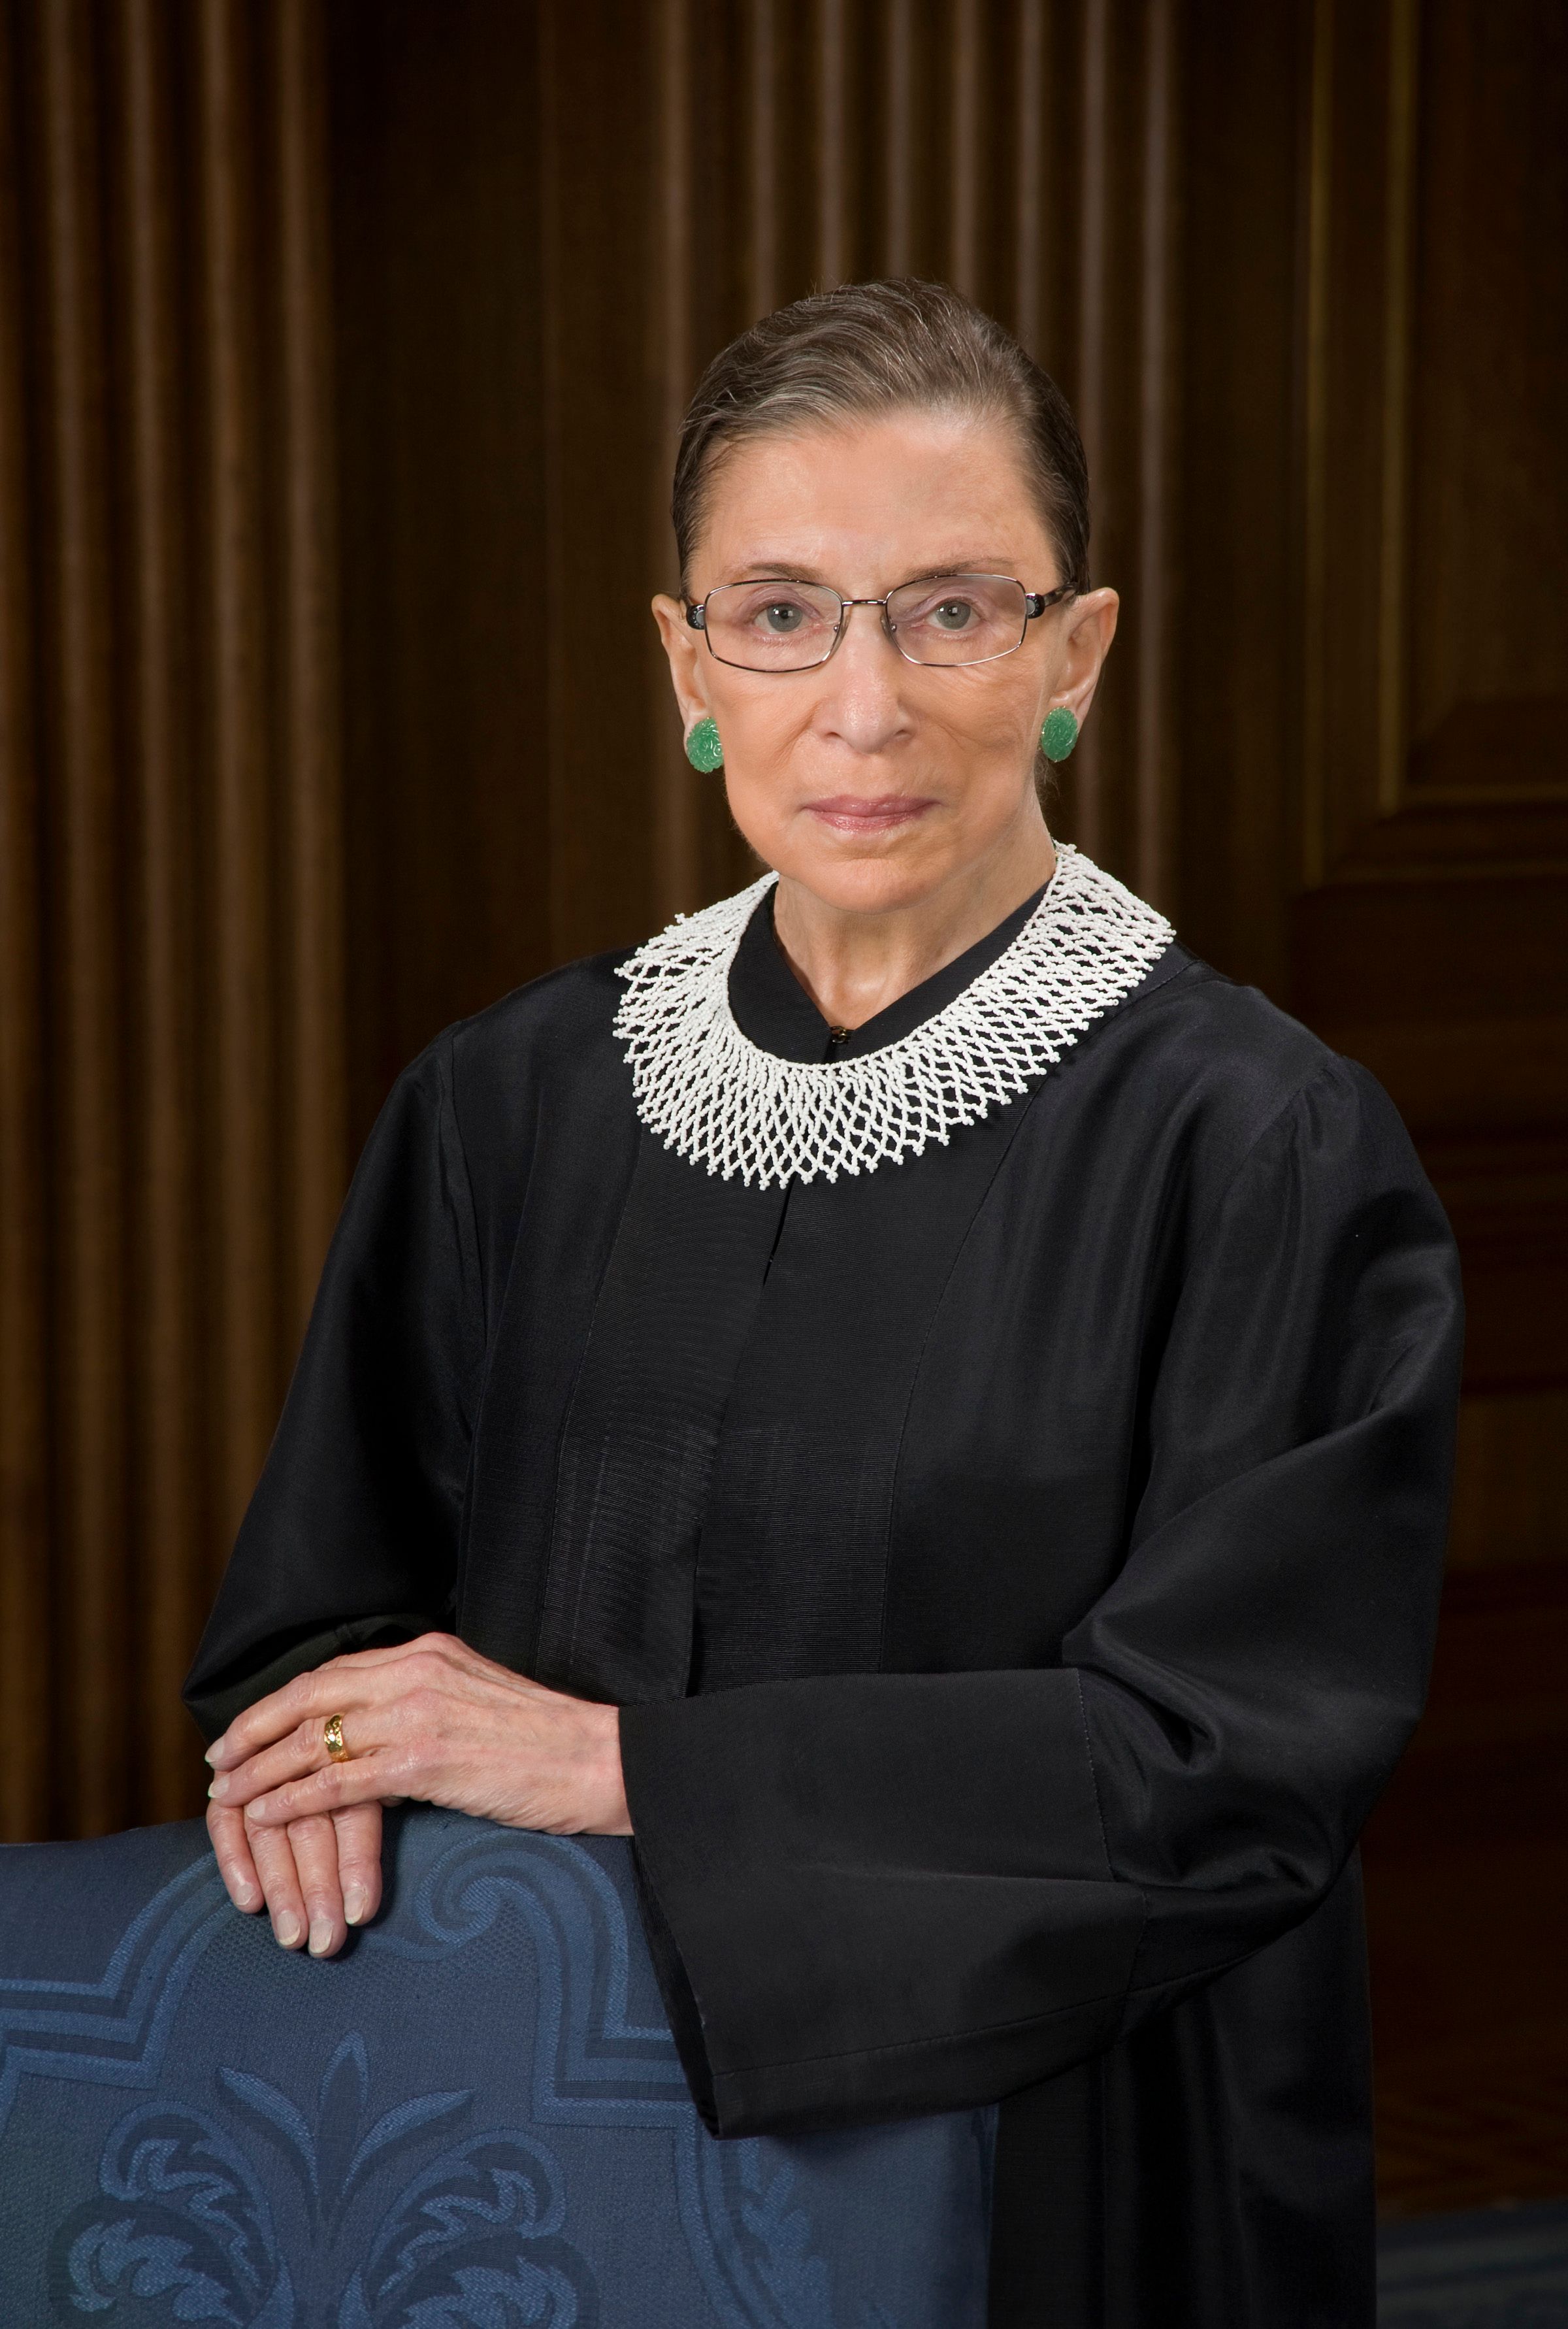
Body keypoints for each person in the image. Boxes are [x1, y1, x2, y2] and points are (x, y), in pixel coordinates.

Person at [185, 278, 1462, 2324]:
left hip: (1065, 2195)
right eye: (781, 614)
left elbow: (1230, 1769)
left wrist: (625, 1769)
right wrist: (318, 1754)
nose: (864, 706)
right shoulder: (502, 1103)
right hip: (542, 2164)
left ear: (1078, 656)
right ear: (685, 666)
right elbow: (322, 1625)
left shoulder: (1267, 1149)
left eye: (954, 609)